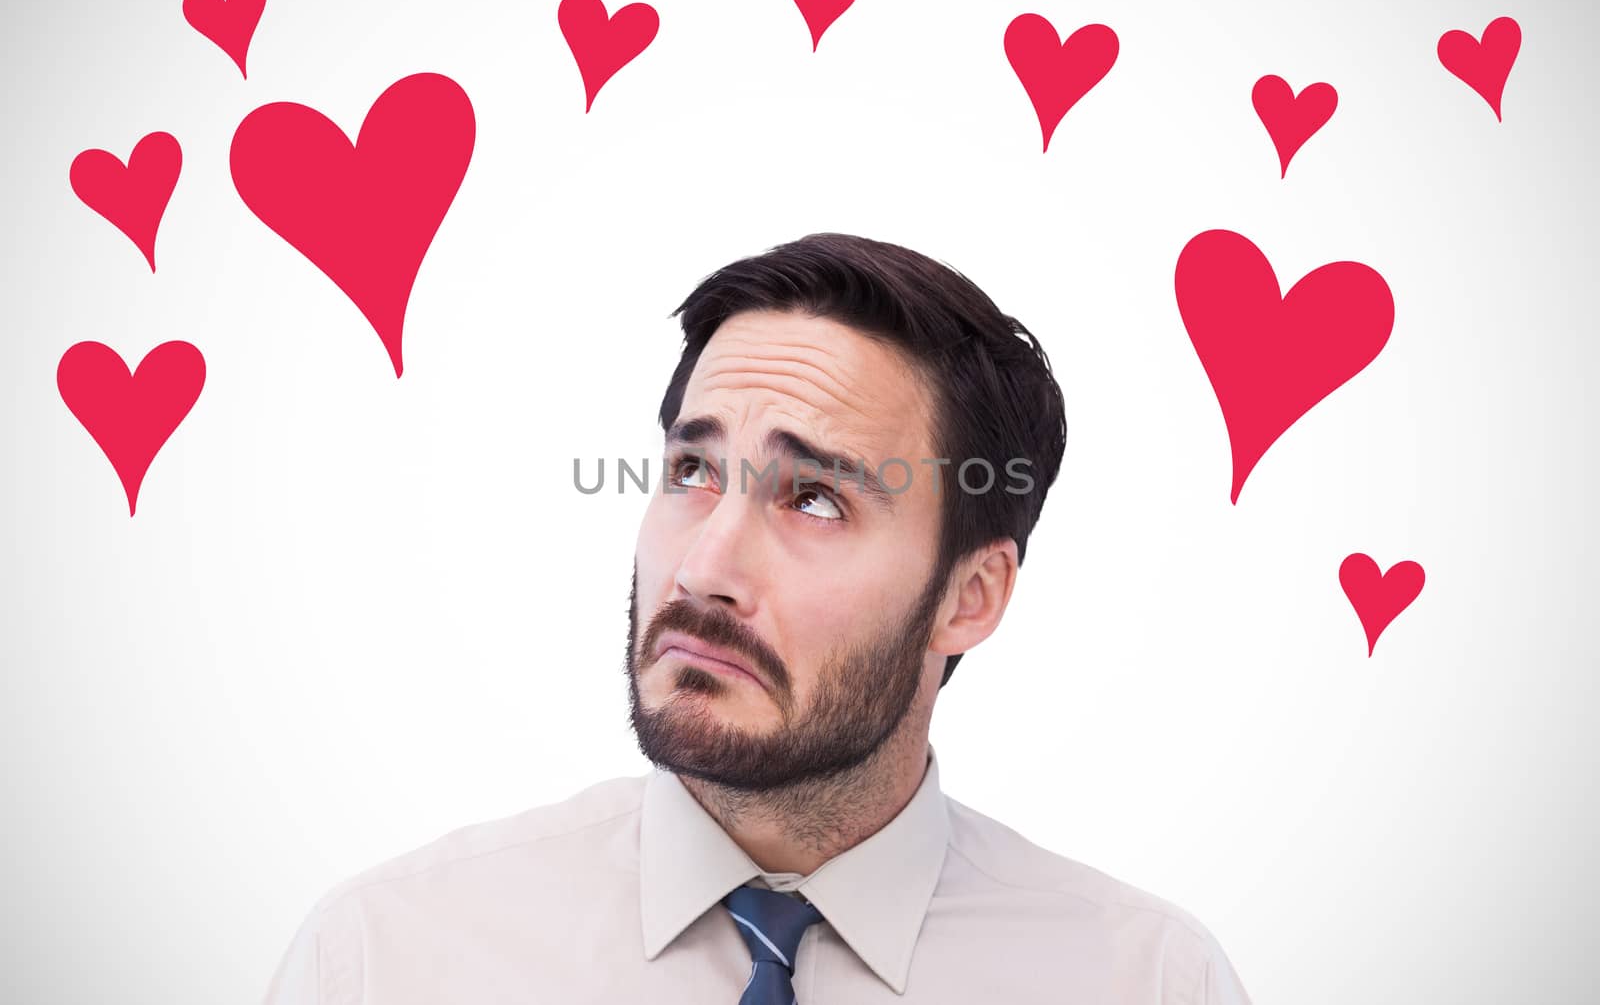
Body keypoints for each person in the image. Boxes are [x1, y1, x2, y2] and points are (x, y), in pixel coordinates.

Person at [260, 232, 1253, 1003]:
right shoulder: (386, 955)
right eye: (692, 470)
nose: (702, 568)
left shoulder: (1147, 980)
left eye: (814, 497)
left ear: (969, 595)